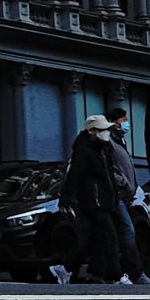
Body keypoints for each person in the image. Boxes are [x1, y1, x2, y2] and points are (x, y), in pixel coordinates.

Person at [61, 114, 124, 284]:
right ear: (92, 131)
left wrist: (115, 197)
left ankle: (90, 272)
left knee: (95, 239)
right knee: (110, 237)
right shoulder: (83, 151)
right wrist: (65, 200)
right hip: (93, 202)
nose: (106, 133)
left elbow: (109, 176)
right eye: (103, 130)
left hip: (104, 201)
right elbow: (74, 176)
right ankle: (115, 275)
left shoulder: (102, 149)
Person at [102, 107, 146, 285]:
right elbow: (110, 169)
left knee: (118, 234)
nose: (126, 123)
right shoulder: (109, 142)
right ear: (115, 122)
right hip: (116, 195)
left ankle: (118, 272)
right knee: (127, 231)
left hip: (126, 196)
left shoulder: (120, 140)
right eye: (123, 119)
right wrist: (124, 183)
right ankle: (135, 273)